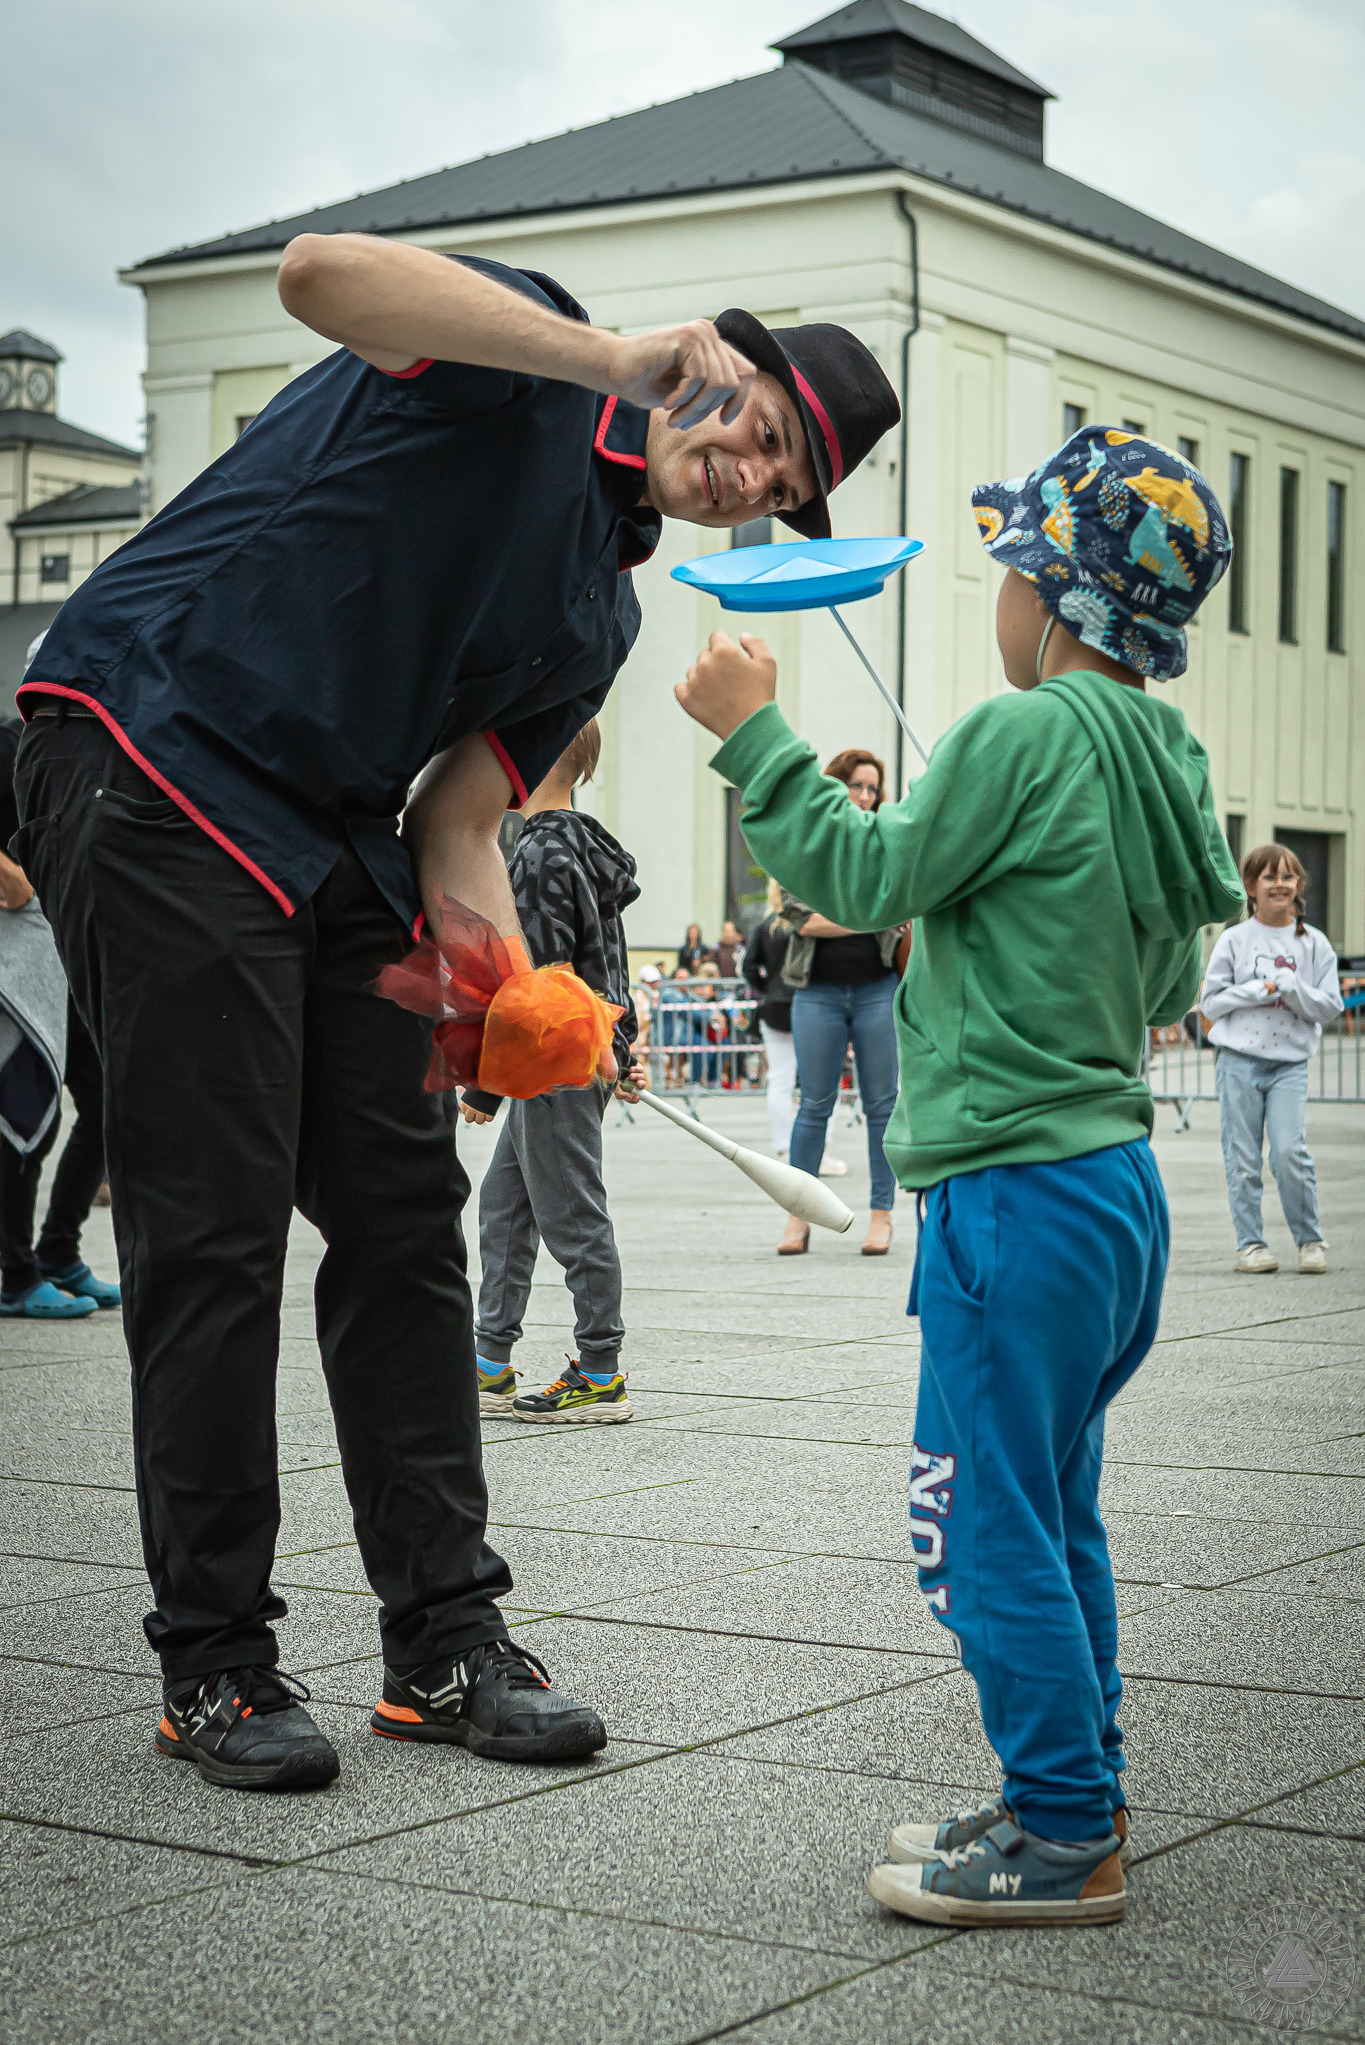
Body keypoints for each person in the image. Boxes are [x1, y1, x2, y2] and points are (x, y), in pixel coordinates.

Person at [14, 231, 898, 1793]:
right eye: (758, 428)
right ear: (725, 360)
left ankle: (442, 1641)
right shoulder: (536, 350)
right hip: (154, 739)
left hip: (339, 823)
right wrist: (610, 354)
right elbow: (315, 278)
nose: (745, 474)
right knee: (211, 1221)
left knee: (407, 1215)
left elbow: (460, 830)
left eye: (780, 481)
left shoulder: (600, 623)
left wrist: (516, 1003)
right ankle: (214, 1660)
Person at [677, 426, 1242, 1926]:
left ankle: (1065, 1833)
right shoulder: (1167, 754)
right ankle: (1078, 1785)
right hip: (1114, 1190)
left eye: (1009, 565)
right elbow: (1171, 964)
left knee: (974, 1524)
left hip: (1010, 1192)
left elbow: (861, 881)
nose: (997, 592)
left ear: (1057, 597)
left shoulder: (1022, 732)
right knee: (1054, 1509)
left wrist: (754, 735)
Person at [464, 719, 643, 1422]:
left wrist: (485, 1080)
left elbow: (539, 983)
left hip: (556, 1060)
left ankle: (600, 1370)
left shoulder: (538, 850)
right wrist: (621, 1044)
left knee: (571, 1213)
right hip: (574, 1054)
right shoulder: (583, 844)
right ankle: (487, 1361)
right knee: (506, 1206)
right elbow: (608, 968)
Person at [0, 716, 118, 1322]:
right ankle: (15, 1275)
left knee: (104, 1101)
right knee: (24, 1108)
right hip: (15, 950)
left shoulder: (101, 748)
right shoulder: (8, 739)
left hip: (67, 944)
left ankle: (58, 1251)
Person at [776, 750, 903, 1257]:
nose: (866, 796)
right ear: (836, 787)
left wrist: (857, 913)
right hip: (818, 992)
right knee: (813, 1105)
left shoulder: (884, 843)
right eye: (857, 786)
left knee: (881, 1106)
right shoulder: (806, 843)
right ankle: (798, 1217)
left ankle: (881, 1215)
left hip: (877, 988)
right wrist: (873, 914)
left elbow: (900, 897)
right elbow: (800, 917)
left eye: (873, 788)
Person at [1201, 843, 1341, 1274]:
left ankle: (1310, 1241)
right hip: (1238, 1062)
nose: (1279, 885)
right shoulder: (1234, 939)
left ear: (1298, 885)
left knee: (1288, 1152)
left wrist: (1291, 987)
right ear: (1250, 886)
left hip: (1289, 1066)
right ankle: (1251, 1245)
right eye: (1269, 877)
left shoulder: (1313, 943)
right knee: (1242, 1157)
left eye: (1287, 877)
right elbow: (1210, 1003)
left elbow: (1329, 1006)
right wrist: (1255, 989)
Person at [744, 878, 796, 1155]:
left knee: (780, 1078)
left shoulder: (765, 928)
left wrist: (766, 989)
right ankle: (821, 1147)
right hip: (806, 1003)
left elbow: (748, 966)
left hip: (774, 1005)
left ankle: (781, 1144)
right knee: (818, 1081)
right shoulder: (808, 926)